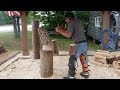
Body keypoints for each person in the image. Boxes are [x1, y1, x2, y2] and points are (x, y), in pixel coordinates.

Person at [55, 12, 90, 79]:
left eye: (66, 19)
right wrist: (63, 28)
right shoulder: (78, 21)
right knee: (83, 58)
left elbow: (68, 35)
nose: (65, 21)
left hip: (79, 44)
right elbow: (72, 30)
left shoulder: (71, 23)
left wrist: (59, 30)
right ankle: (86, 73)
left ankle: (71, 77)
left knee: (72, 59)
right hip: (85, 43)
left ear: (70, 18)